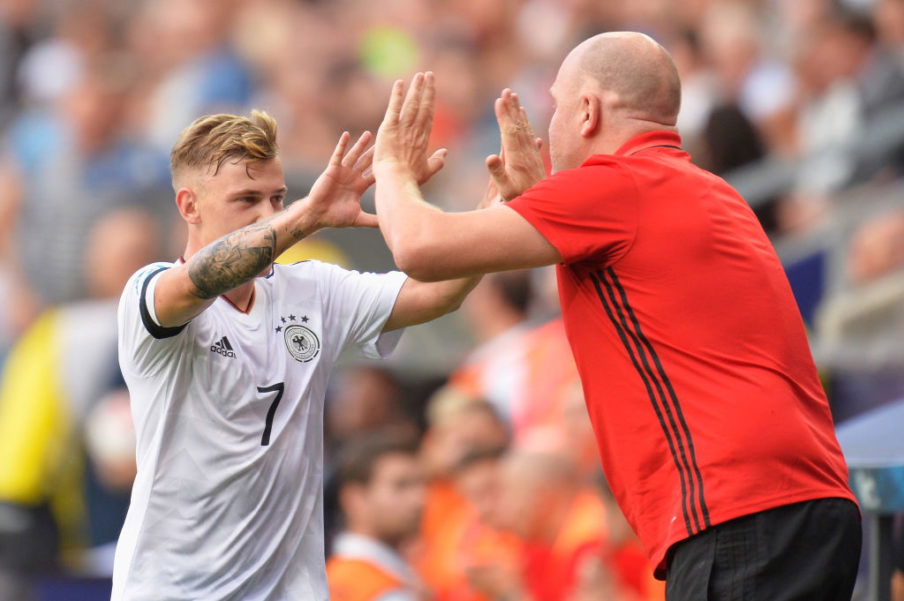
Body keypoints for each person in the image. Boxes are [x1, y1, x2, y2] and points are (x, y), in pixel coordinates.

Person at [372, 32, 860, 599]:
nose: (548, 127)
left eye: (556, 105)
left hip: (736, 512)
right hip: (796, 504)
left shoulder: (615, 187)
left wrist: (390, 165)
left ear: (587, 112)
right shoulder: (708, 190)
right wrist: (541, 201)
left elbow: (419, 247)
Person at [113, 111, 479, 600]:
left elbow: (437, 294)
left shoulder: (312, 290)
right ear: (190, 205)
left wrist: (502, 204)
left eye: (277, 198)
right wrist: (308, 214)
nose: (269, 214)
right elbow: (205, 277)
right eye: (247, 199)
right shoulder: (152, 294)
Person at [327, 435, 425, 601]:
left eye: (420, 484)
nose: (420, 499)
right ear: (354, 498)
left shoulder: (333, 575)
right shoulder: (381, 591)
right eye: (401, 486)